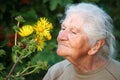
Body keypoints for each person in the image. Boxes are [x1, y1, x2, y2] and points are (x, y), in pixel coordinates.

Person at [43, 2, 120, 80]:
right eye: (63, 28)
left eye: (73, 32)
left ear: (95, 45)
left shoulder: (116, 74)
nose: (61, 37)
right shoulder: (55, 73)